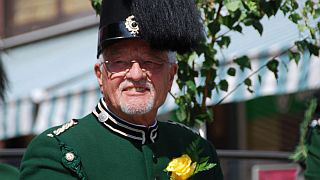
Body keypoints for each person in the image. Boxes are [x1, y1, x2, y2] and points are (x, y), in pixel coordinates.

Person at [20, 0, 224, 179]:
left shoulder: (196, 148)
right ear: (100, 75)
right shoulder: (58, 152)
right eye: (119, 62)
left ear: (171, 76)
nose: (136, 74)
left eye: (151, 61)